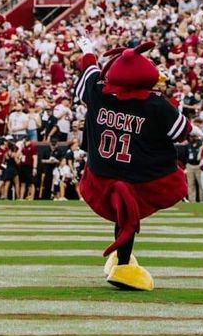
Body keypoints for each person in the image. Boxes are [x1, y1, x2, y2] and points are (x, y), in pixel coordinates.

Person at [74, 37, 191, 291]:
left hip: (100, 176)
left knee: (122, 215)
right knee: (139, 203)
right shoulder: (156, 104)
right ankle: (124, 267)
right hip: (139, 179)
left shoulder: (97, 91)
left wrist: (88, 51)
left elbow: (89, 72)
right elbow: (182, 131)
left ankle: (121, 258)